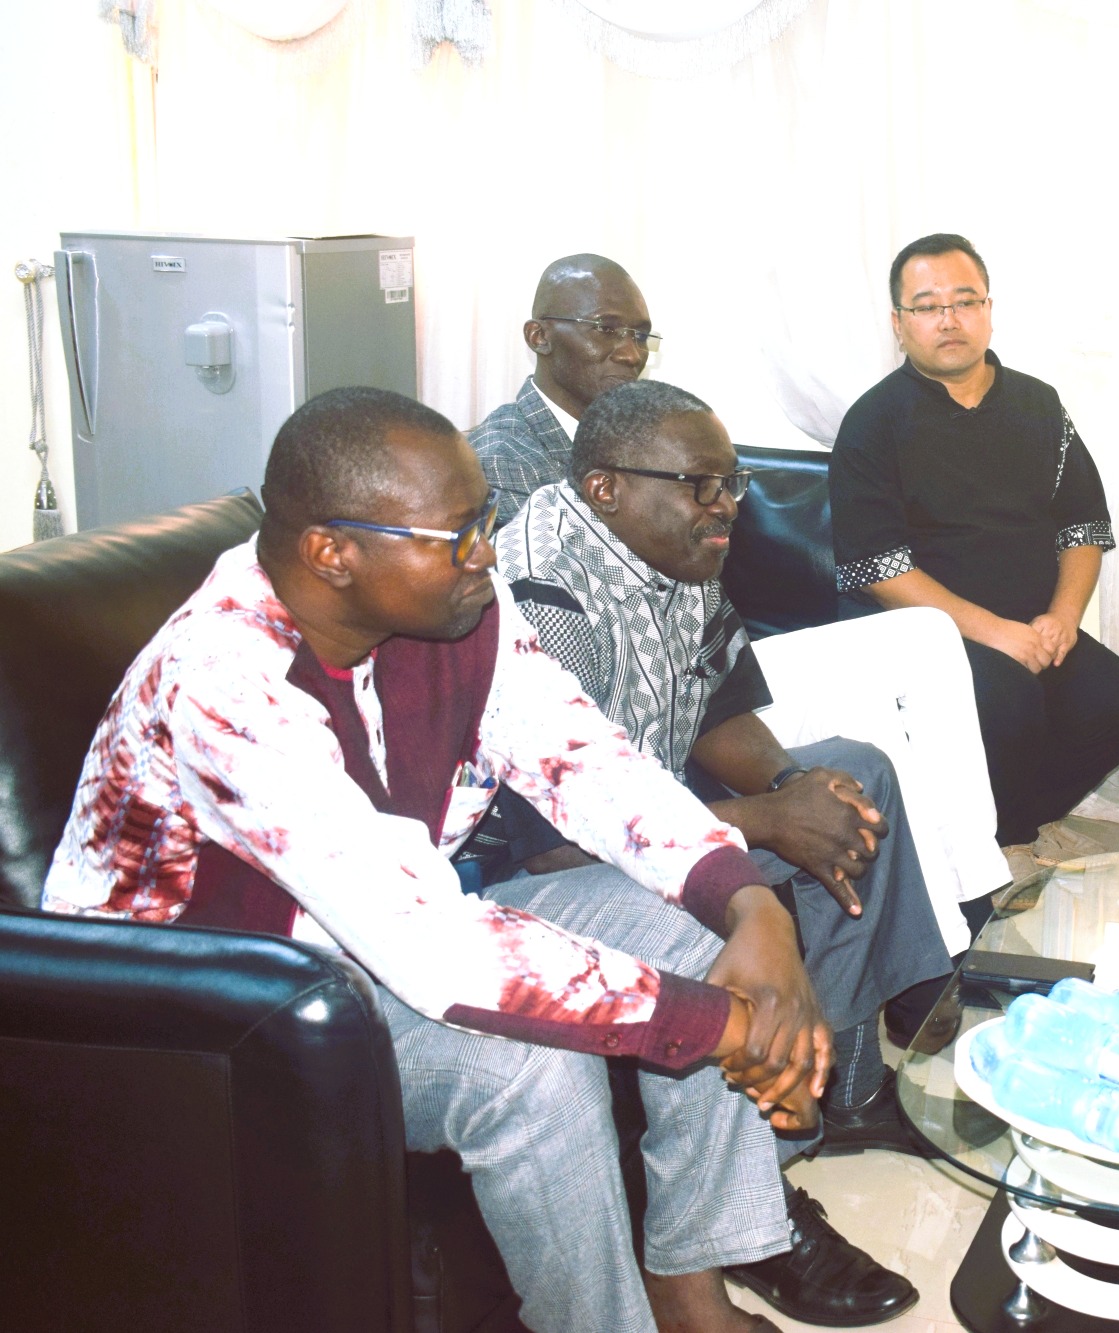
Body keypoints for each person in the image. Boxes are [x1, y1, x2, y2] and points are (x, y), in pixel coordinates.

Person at [40, 387, 854, 1333]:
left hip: (376, 942)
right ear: (332, 552)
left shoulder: (464, 609)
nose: (488, 555)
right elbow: (430, 944)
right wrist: (726, 1027)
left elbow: (589, 762)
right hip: (224, 1024)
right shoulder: (222, 678)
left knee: (692, 926)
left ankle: (689, 1286)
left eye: (486, 521)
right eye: (457, 537)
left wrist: (749, 904)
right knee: (529, 1070)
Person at [481, 379, 957, 1164]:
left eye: (732, 481)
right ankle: (768, 1159)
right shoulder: (544, 593)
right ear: (605, 488)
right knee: (757, 863)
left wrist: (790, 789)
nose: (727, 504)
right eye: (700, 484)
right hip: (539, 871)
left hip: (655, 809)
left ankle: (850, 1088)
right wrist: (766, 822)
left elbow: (716, 711)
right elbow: (555, 846)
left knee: (854, 778)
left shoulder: (678, 548)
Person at [829, 233, 1119, 849]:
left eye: (964, 301)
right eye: (927, 306)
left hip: (1030, 621)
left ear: (987, 309)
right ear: (899, 324)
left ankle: (1003, 828)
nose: (948, 320)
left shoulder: (1038, 404)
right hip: (923, 631)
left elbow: (1083, 526)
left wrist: (1062, 618)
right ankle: (999, 844)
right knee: (1008, 699)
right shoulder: (873, 422)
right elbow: (878, 569)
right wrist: (996, 634)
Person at [474, 253, 654, 526]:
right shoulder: (502, 462)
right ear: (539, 337)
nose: (632, 355)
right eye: (605, 329)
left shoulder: (639, 438)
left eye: (640, 336)